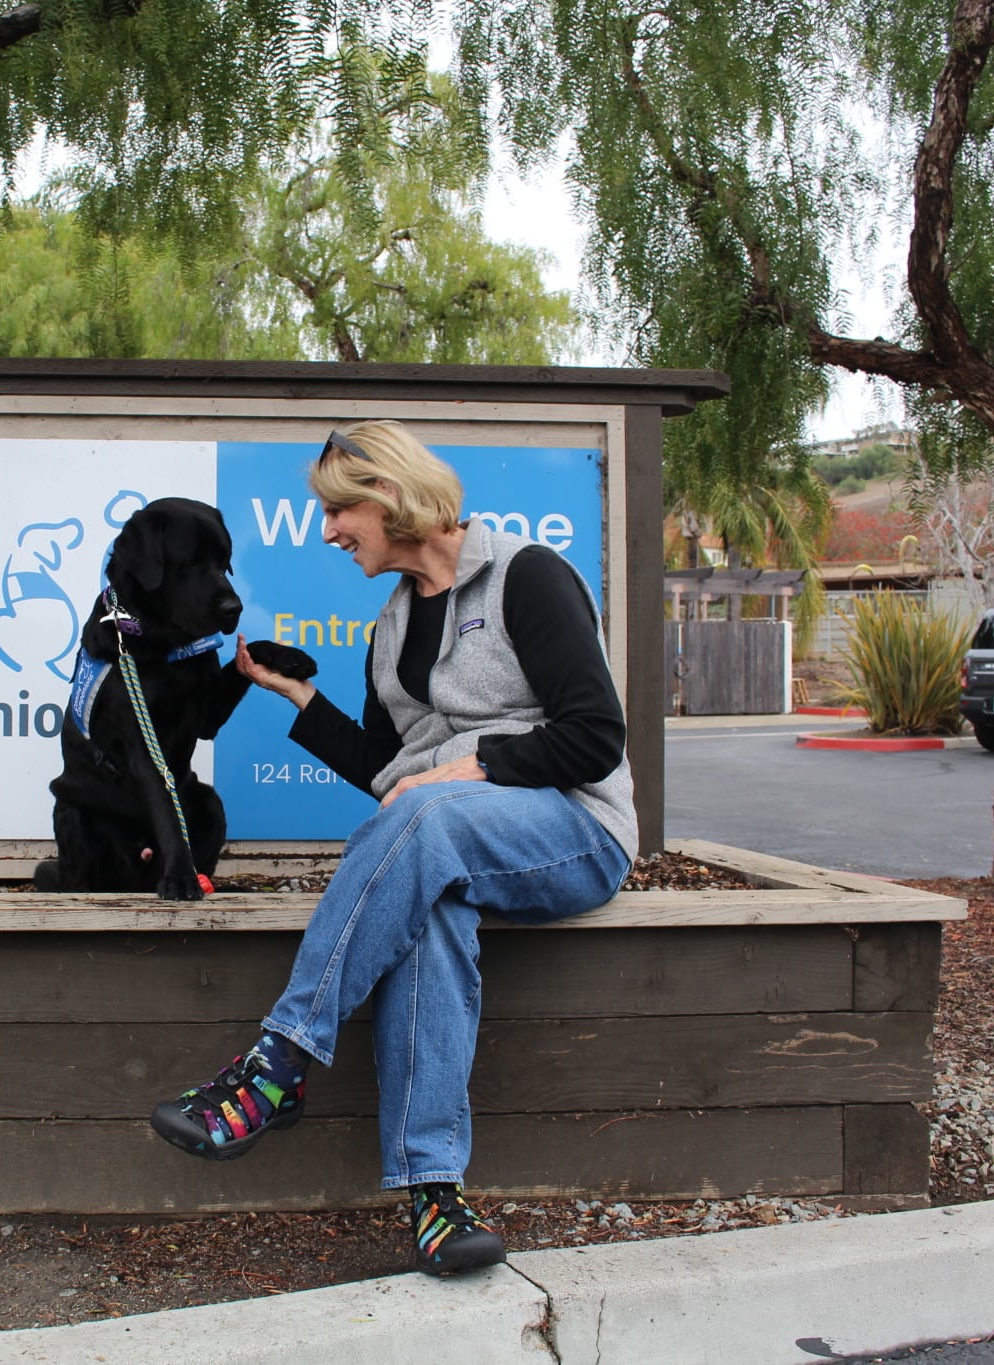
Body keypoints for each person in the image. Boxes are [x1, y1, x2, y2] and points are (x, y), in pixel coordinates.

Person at [148, 419, 637, 1276]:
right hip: (451, 838)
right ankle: (434, 1194)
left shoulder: (525, 574)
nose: (328, 532)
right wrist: (298, 696)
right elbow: (391, 772)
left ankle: (277, 1061)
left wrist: (470, 768)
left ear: (386, 494)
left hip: (572, 828)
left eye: (338, 511)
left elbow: (594, 736)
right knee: (429, 906)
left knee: (428, 818)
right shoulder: (390, 629)